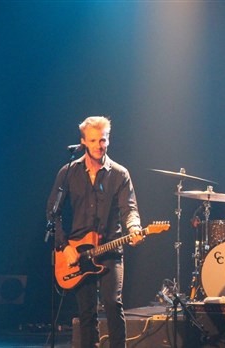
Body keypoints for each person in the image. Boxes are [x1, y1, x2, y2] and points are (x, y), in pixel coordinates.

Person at [47, 116, 142, 348]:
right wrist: (64, 246)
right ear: (83, 142)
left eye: (103, 140)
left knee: (112, 303)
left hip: (110, 248)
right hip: (78, 253)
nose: (100, 145)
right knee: (86, 311)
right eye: (94, 140)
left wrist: (134, 227)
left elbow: (129, 208)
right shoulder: (68, 172)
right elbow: (53, 211)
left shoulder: (120, 174)